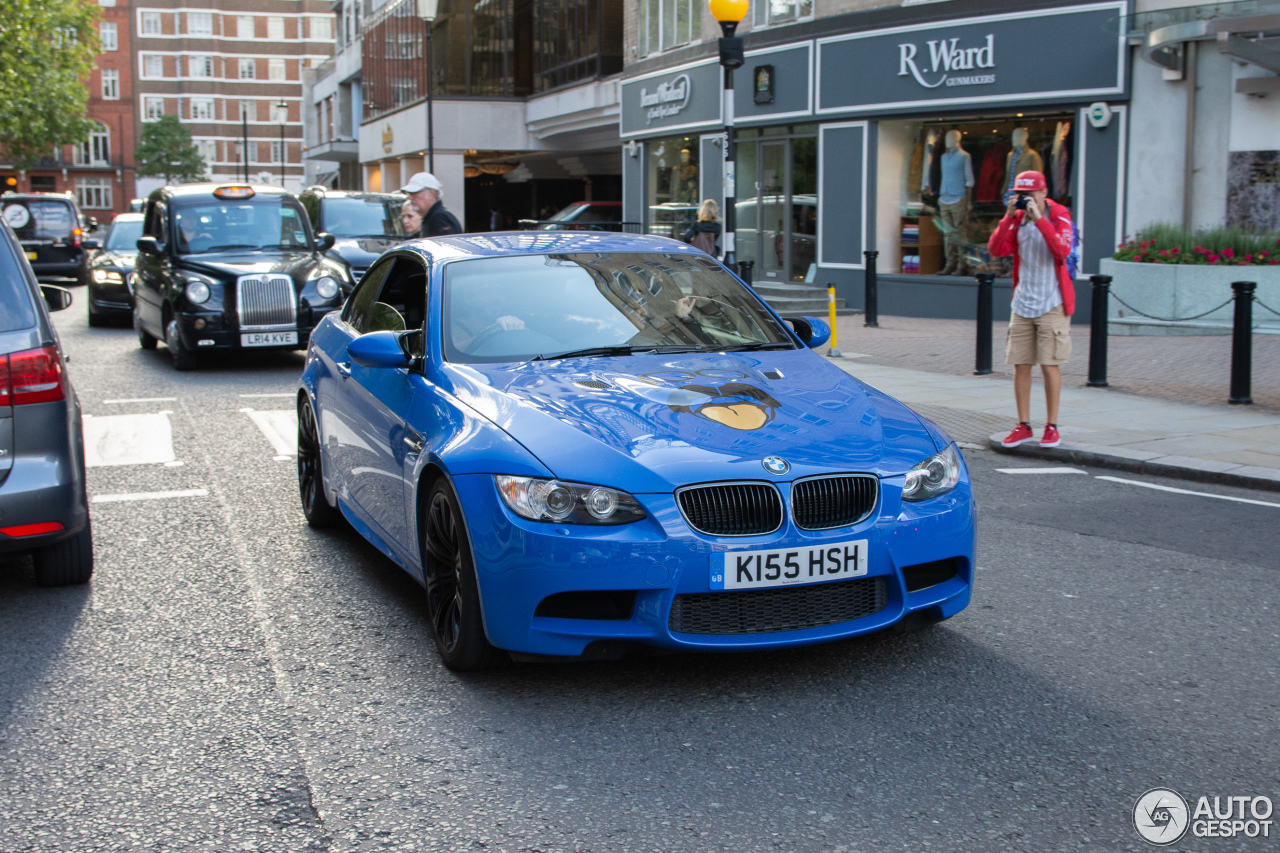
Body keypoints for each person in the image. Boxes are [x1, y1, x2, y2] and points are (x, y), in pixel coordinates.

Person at [988, 170, 1075, 449]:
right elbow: (997, 249)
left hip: (1051, 302)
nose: (1026, 199)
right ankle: (1023, 425)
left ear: (1044, 193)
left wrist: (1039, 219)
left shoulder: (1059, 214)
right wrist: (1008, 217)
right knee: (1021, 365)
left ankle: (1052, 426)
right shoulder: (1016, 219)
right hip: (1023, 302)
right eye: (1020, 194)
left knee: (1050, 366)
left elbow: (1062, 250)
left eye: (1031, 194)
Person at [400, 172, 462, 238]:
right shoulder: (433, 218)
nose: (410, 197)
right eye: (409, 194)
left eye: (414, 193)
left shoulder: (439, 219)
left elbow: (447, 246)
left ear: (430, 194)